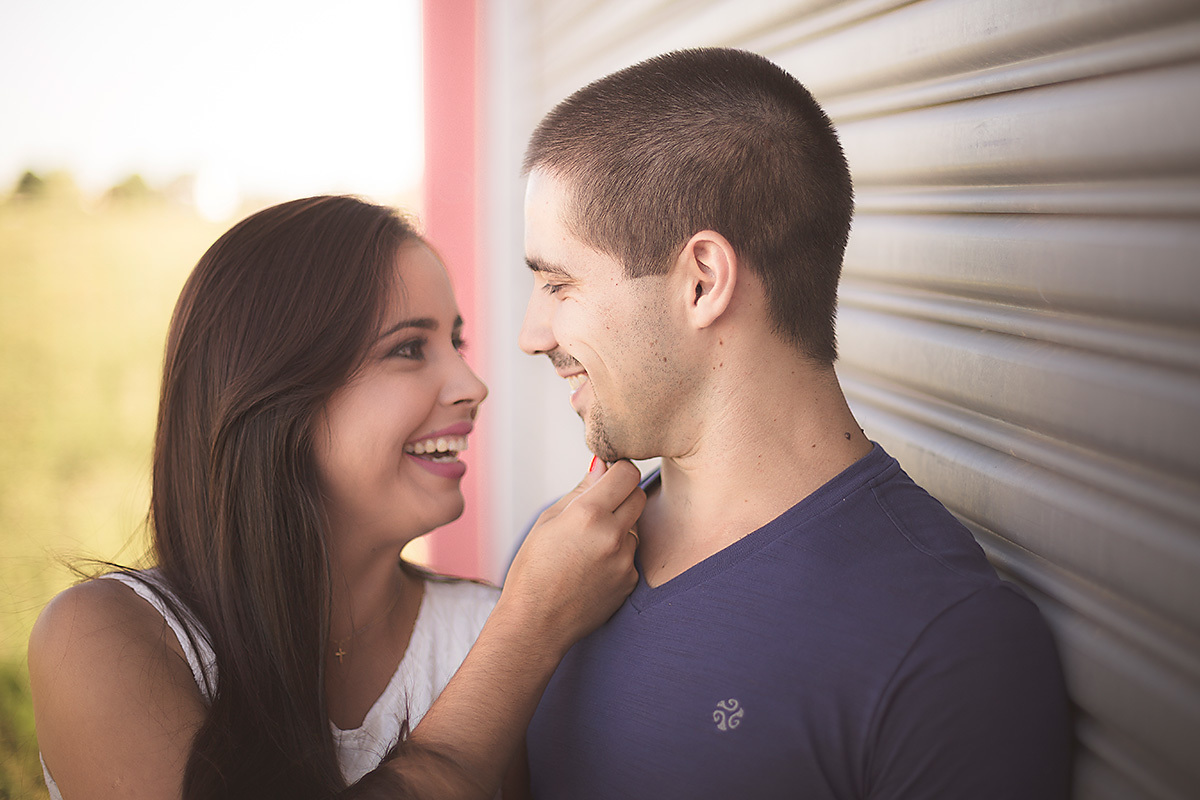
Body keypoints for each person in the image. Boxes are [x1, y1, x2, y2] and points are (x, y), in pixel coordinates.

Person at [517, 48, 1072, 798]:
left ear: (703, 281)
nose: (532, 333)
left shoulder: (946, 646)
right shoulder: (555, 574)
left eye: (558, 283)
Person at [28, 195, 645, 800]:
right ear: (276, 391)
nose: (472, 385)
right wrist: (529, 631)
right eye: (409, 348)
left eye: (455, 343)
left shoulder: (485, 629)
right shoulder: (110, 637)